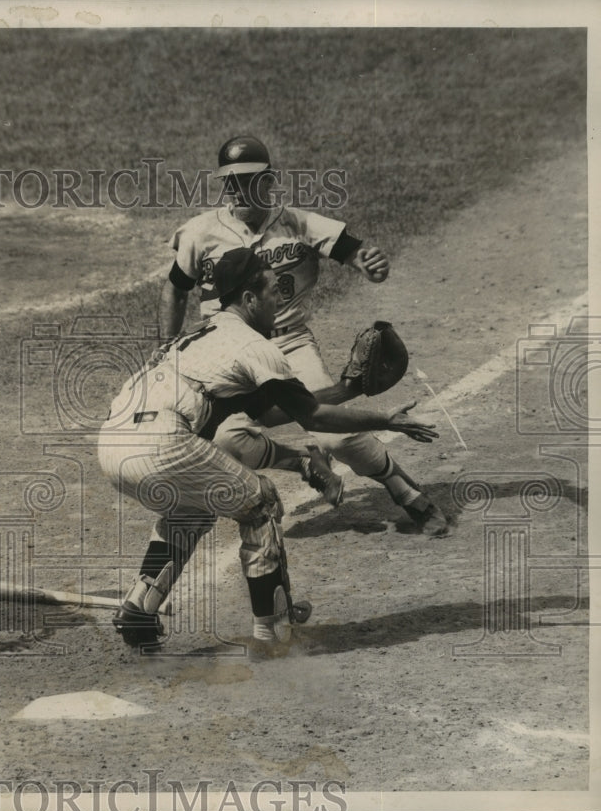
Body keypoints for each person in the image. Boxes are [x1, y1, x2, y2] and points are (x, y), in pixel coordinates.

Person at [98, 247, 439, 648]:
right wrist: (385, 420)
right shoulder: (254, 346)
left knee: (192, 508)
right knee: (260, 502)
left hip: (113, 443)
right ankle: (274, 632)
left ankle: (139, 609)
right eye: (274, 292)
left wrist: (348, 388)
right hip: (163, 445)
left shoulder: (197, 335)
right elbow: (312, 418)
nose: (280, 301)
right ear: (249, 299)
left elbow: (274, 412)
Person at [158, 135, 450, 536]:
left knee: (337, 437)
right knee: (225, 439)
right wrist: (168, 345)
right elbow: (176, 287)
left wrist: (370, 265)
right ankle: (304, 462)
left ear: (269, 180)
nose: (237, 189)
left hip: (288, 342)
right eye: (229, 181)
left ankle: (405, 491)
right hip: (225, 352)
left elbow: (355, 251)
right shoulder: (199, 232)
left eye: (248, 179)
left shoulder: (299, 223)